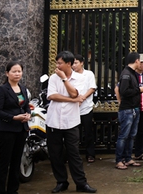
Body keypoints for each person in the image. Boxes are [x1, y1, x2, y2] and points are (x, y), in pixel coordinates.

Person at [46, 51, 96, 193]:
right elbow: (52, 96)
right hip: (54, 121)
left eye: (60, 63)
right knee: (55, 154)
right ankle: (61, 181)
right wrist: (72, 100)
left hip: (71, 121)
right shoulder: (52, 78)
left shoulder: (79, 78)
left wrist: (64, 80)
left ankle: (81, 183)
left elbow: (75, 93)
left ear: (68, 64)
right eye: (57, 63)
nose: (57, 66)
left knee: (74, 153)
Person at [0, 61, 31, 194]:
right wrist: (14, 118)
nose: (17, 74)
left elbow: (26, 106)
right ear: (7, 73)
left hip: (21, 130)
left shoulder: (23, 88)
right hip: (7, 130)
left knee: (16, 162)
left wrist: (28, 115)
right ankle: (1, 191)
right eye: (14, 71)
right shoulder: (2, 89)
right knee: (4, 163)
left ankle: (13, 190)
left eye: (19, 71)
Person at [115, 52, 143, 170]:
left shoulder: (132, 73)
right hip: (127, 109)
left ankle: (128, 158)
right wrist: (139, 90)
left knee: (131, 135)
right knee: (123, 136)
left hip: (134, 108)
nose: (140, 62)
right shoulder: (126, 74)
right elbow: (123, 91)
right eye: (140, 60)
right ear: (136, 61)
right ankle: (119, 160)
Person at [73, 54, 97, 163]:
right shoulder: (70, 75)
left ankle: (90, 154)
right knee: (73, 134)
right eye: (72, 63)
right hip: (73, 108)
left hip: (86, 107)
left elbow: (92, 88)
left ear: (82, 63)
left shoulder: (88, 74)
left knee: (88, 132)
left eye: (76, 63)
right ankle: (73, 155)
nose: (74, 65)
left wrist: (82, 97)